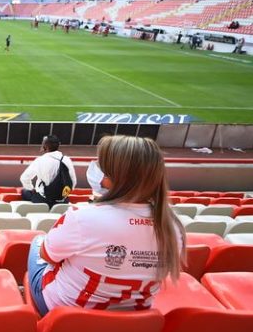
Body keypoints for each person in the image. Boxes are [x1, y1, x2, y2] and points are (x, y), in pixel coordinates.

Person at [25, 135, 185, 316]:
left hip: (66, 310)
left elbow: (48, 256)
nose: (96, 168)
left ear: (114, 178)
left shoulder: (82, 217)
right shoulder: (173, 227)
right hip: (134, 314)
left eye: (102, 165)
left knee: (38, 242)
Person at [19, 135, 77, 206]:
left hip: (42, 199)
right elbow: (73, 182)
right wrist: (63, 196)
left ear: (45, 147)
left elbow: (24, 178)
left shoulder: (39, 160)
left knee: (24, 192)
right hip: (62, 200)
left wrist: (32, 189)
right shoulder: (66, 160)